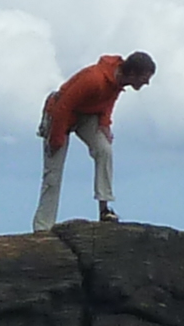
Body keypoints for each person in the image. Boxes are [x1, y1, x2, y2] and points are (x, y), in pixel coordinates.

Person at [32, 49, 154, 229]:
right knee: (52, 176)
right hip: (59, 114)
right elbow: (64, 104)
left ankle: (104, 209)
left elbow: (109, 101)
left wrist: (105, 123)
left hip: (85, 115)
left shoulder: (118, 81)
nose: (147, 82)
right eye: (145, 77)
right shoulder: (94, 78)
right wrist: (56, 139)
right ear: (133, 73)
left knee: (104, 150)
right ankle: (42, 228)